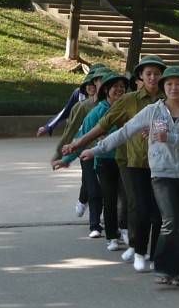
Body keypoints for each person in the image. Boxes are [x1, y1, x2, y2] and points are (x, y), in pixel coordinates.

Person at [81, 66, 179, 287]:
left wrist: (170, 137)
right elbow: (125, 132)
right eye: (169, 84)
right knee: (170, 222)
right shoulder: (153, 111)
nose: (173, 88)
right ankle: (163, 269)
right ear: (163, 87)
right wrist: (96, 150)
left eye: (178, 84)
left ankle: (175, 273)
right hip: (161, 174)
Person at [64, 54, 167, 272]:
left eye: (157, 74)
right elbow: (104, 124)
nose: (152, 78)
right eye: (148, 73)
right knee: (138, 207)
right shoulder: (129, 101)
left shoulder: (169, 98)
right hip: (132, 161)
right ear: (140, 75)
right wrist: (79, 143)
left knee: (159, 211)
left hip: (162, 163)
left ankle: (155, 253)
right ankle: (137, 247)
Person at [54, 71, 130, 251]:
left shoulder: (129, 108)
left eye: (122, 87)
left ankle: (126, 229)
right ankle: (111, 236)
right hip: (104, 161)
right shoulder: (97, 112)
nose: (119, 90)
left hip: (127, 159)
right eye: (115, 87)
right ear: (106, 90)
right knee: (110, 199)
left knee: (127, 198)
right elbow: (84, 138)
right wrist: (67, 159)